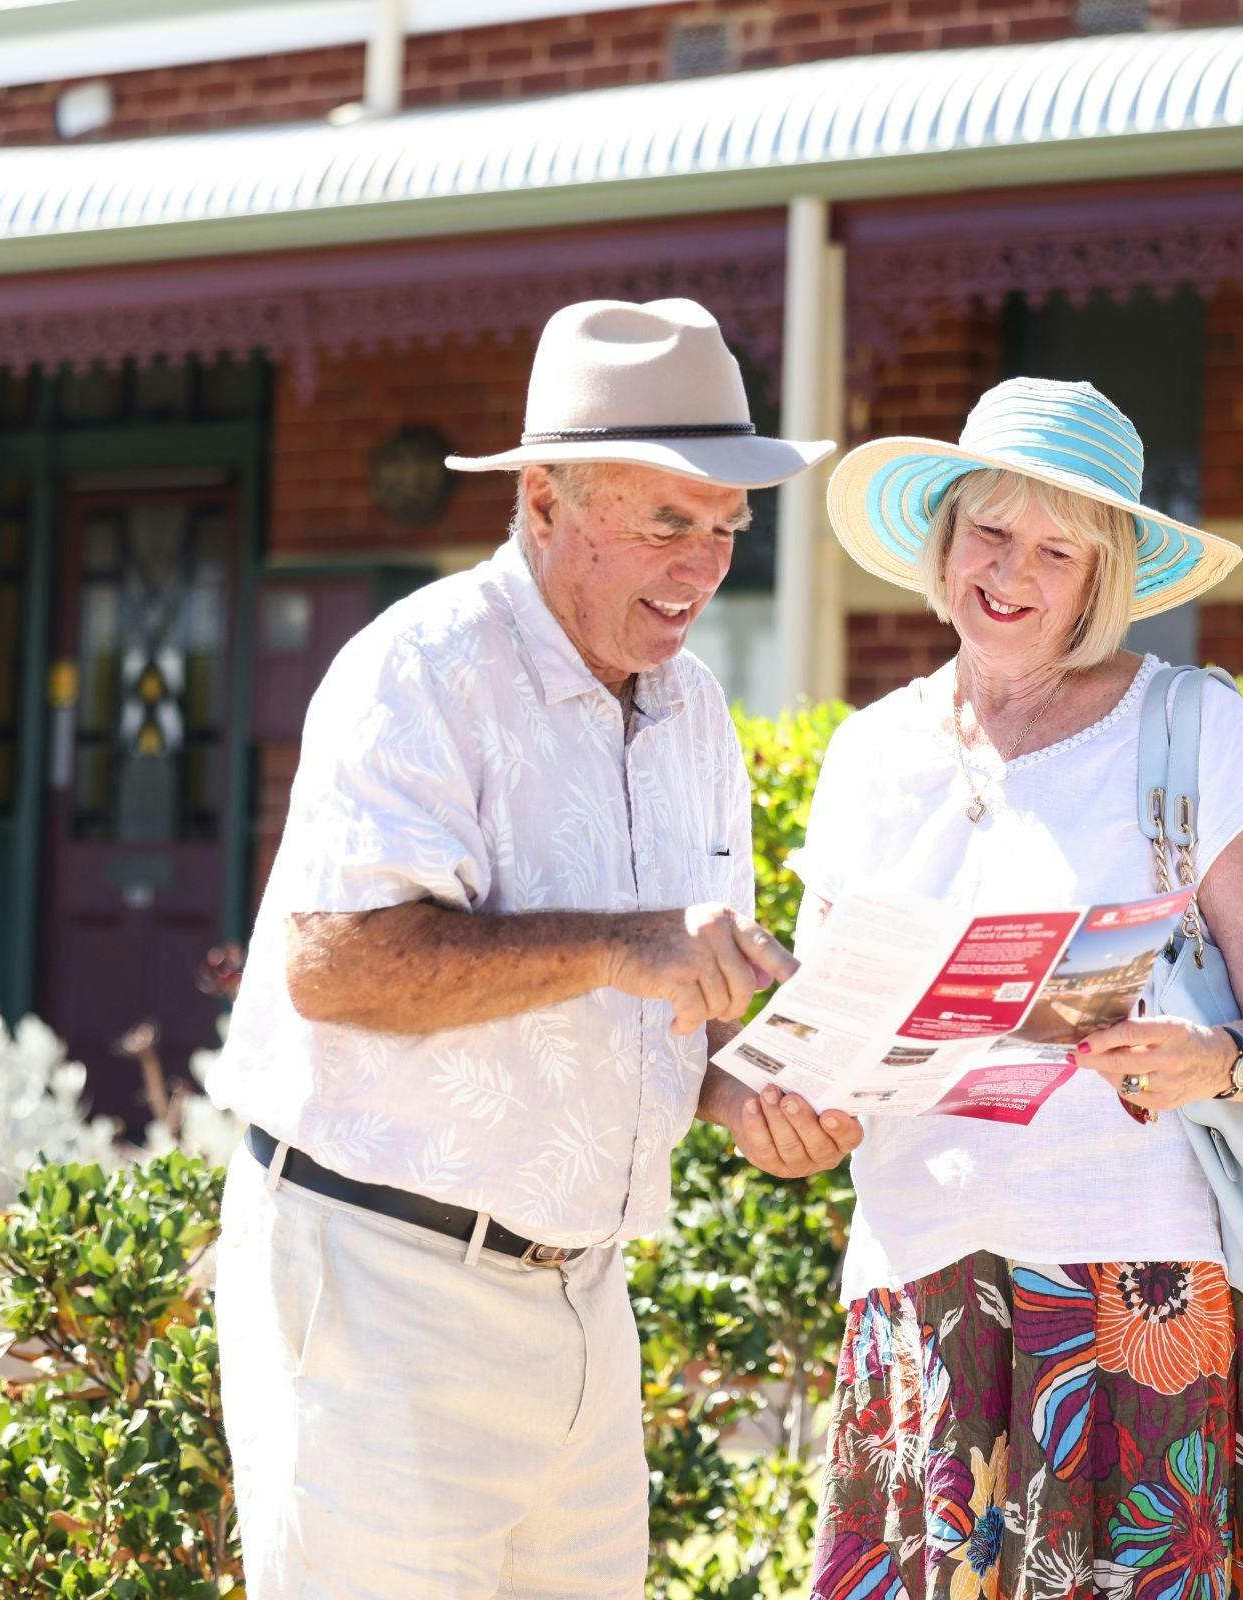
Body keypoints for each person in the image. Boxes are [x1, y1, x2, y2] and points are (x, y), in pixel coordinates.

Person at [202, 297, 864, 1600]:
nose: (701, 566)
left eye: (725, 529)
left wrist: (735, 1092)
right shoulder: (422, 670)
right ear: (545, 506)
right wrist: (627, 944)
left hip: (581, 1304)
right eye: (665, 522)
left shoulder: (692, 711)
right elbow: (334, 965)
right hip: (380, 1284)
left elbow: (658, 989)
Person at [794, 377, 1243, 1600]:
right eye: (989, 531)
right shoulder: (867, 753)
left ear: (1100, 582)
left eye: (1055, 548)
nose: (1012, 570)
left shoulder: (1188, 726)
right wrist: (797, 1102)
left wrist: (1223, 1062)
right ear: (942, 543)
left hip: (1128, 1288)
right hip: (915, 1284)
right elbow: (826, 1027)